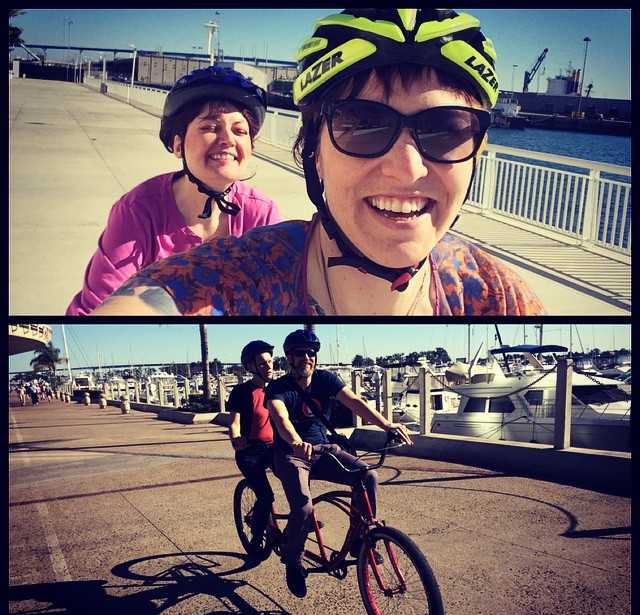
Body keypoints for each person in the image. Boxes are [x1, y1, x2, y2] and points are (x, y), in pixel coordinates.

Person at [92, 8, 544, 316]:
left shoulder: (493, 296)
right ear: (314, 153)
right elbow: (148, 300)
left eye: (446, 129)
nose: (407, 169)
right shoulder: (228, 277)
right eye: (362, 124)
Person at [67, 66, 282, 315]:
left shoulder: (262, 214)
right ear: (178, 145)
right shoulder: (138, 211)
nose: (228, 139)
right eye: (210, 127)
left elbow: (279, 302)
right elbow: (97, 308)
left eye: (240, 131)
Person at [264, 329, 413, 598]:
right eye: (301, 353)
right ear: (289, 357)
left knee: (368, 477)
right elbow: (280, 416)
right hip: (291, 454)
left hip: (325, 449)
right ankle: (293, 561)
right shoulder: (279, 387)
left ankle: (359, 541)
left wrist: (387, 425)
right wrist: (296, 441)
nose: (307, 358)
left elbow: (355, 402)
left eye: (312, 353)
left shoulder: (325, 379)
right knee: (304, 508)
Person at [227, 340, 278, 557]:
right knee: (266, 496)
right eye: (262, 364)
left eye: (270, 362)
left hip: (275, 448)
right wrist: (236, 437)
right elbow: (234, 422)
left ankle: (300, 520)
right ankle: (257, 536)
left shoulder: (278, 388)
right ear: (251, 367)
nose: (268, 367)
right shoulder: (241, 392)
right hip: (251, 452)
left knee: (299, 479)